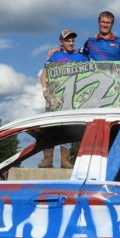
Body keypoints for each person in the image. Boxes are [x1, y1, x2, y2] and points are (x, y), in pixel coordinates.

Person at [39, 29, 86, 169]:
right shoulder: (55, 55)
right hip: (54, 96)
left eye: (72, 40)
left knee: (68, 129)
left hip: (72, 99)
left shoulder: (81, 57)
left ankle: (65, 160)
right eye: (67, 40)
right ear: (61, 42)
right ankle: (47, 160)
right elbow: (44, 74)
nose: (70, 43)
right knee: (50, 127)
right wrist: (44, 89)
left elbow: (92, 69)